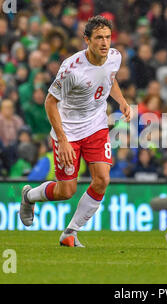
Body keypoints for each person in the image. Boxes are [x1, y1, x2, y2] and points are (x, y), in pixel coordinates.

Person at [19, 16, 131, 247]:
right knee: (66, 191)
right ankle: (29, 196)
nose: (104, 43)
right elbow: (50, 103)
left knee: (102, 179)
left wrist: (121, 101)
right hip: (68, 131)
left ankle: (71, 232)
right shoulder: (71, 69)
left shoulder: (115, 57)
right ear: (87, 40)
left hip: (97, 126)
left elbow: (110, 79)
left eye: (108, 37)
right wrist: (63, 141)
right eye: (99, 38)